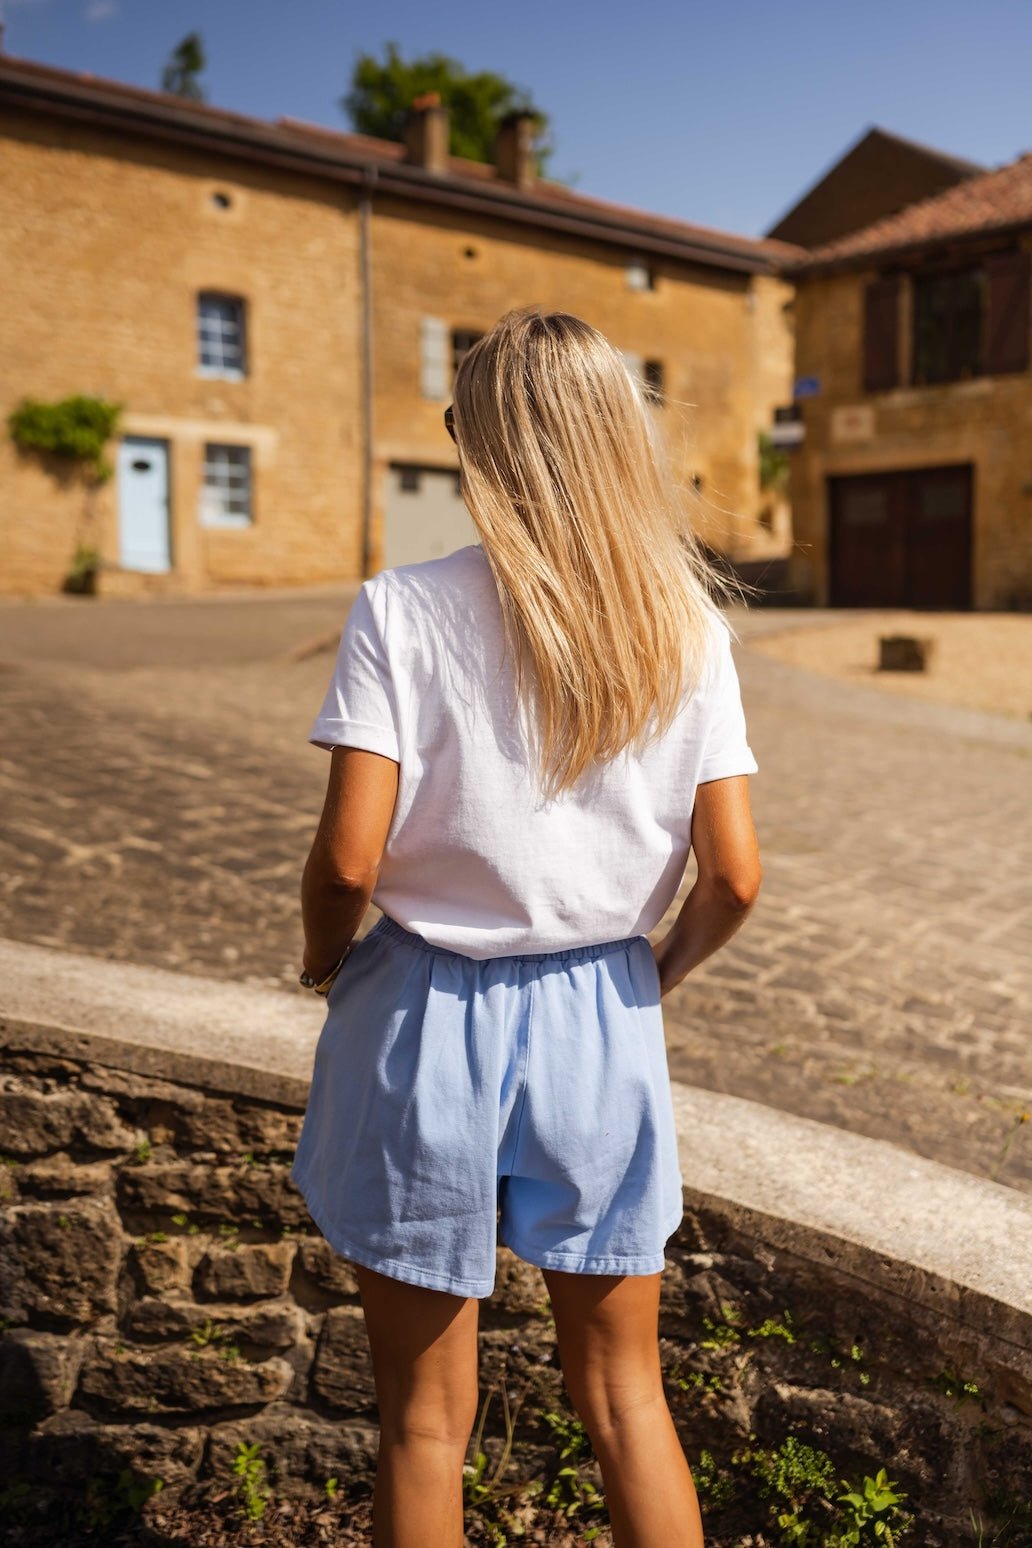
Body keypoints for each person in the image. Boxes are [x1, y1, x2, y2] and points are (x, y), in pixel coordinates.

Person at [291, 306, 762, 1548]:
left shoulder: (403, 607)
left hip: (421, 1006)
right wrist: (650, 973)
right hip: (600, 1016)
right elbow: (737, 877)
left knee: (423, 1428)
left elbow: (347, 859)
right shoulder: (689, 628)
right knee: (625, 1398)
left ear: (487, 446)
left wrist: (320, 962)